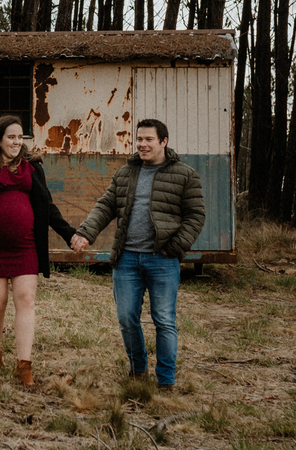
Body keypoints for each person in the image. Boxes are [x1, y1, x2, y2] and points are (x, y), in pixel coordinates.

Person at [69, 118, 205, 391]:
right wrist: (85, 233)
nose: (142, 144)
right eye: (139, 139)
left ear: (163, 141)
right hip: (127, 259)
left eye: (149, 140)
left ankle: (166, 381)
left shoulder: (185, 175)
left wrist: (173, 248)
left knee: (164, 320)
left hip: (162, 260)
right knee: (126, 318)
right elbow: (106, 206)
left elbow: (195, 216)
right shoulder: (125, 173)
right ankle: (138, 369)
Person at [0, 114, 78, 387]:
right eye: (11, 137)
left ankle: (24, 367)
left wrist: (70, 235)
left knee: (26, 300)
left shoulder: (32, 169)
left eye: (20, 137)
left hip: (26, 246)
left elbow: (48, 208)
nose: (17, 142)